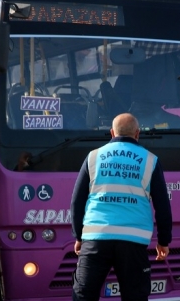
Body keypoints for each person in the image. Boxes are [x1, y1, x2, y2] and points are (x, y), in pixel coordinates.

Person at [70, 113, 172, 301]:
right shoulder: (150, 160)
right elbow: (162, 205)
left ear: (112, 133)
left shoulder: (93, 157)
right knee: (135, 296)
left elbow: (77, 201)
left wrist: (78, 235)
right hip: (133, 241)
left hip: (96, 239)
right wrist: (163, 241)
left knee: (83, 295)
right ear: (137, 133)